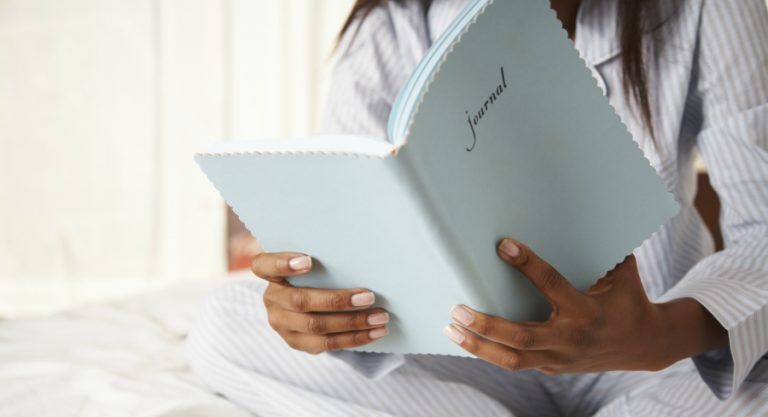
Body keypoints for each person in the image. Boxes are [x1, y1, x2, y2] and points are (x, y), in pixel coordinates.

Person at [186, 0, 768, 415]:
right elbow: (357, 230)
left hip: (650, 349)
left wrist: (661, 334)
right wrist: (318, 306)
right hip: (467, 350)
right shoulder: (392, 22)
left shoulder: (706, 9)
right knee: (224, 326)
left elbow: (763, 233)